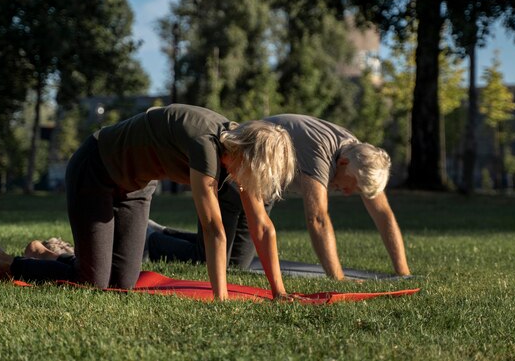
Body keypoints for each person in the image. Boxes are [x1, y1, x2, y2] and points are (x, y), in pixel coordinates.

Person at [0, 104, 296, 300]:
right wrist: (221, 298)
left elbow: (263, 228)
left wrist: (279, 293)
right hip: (96, 170)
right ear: (247, 156)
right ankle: (3, 263)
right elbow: (213, 229)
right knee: (92, 282)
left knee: (120, 282)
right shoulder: (207, 147)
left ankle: (43, 254)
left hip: (136, 189)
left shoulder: (239, 151)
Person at [147, 114, 411, 280]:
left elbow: (383, 213)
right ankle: (153, 240)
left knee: (237, 263)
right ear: (342, 164)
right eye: (351, 186)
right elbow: (317, 218)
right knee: (211, 258)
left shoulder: (360, 156)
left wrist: (403, 272)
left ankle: (165, 233)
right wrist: (337, 279)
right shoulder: (321, 154)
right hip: (239, 168)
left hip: (266, 183)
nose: (349, 193)